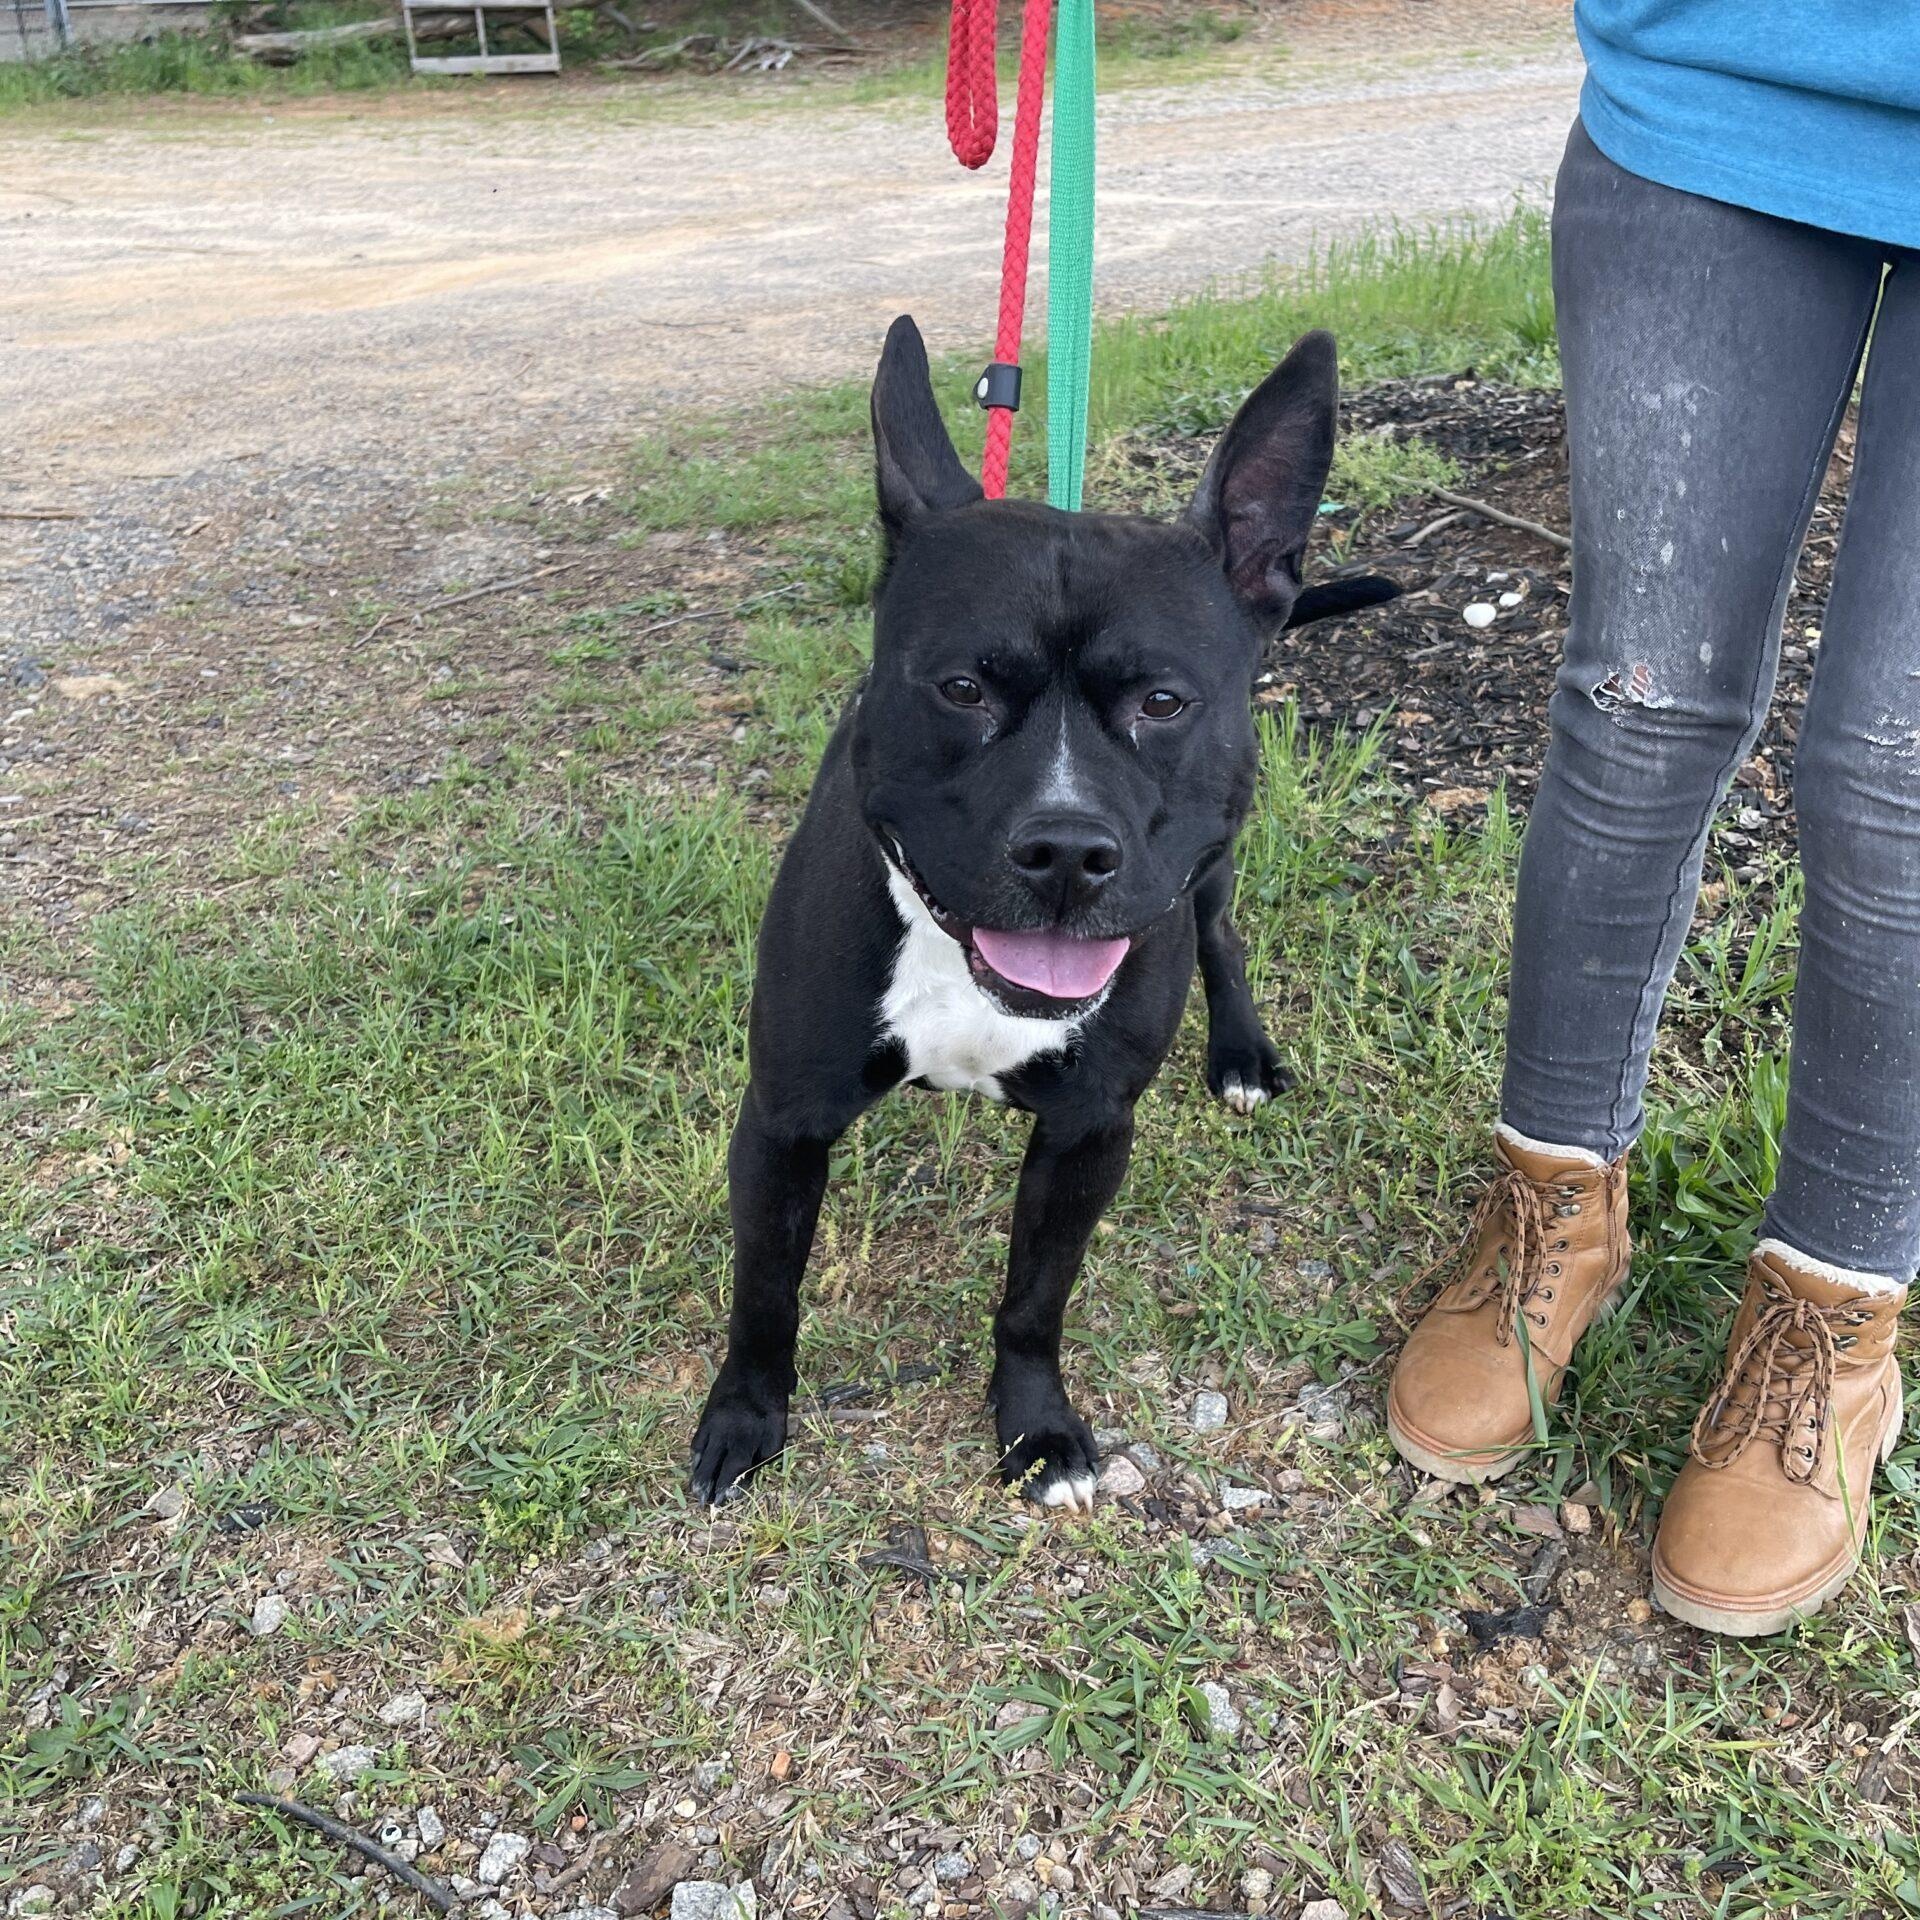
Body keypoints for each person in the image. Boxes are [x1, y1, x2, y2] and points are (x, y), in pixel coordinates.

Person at [1385, 4, 1920, 1636]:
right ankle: (1553, 1201)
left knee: (1900, 774)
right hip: (1715, 84)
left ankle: (1831, 1315)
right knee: (1636, 699)